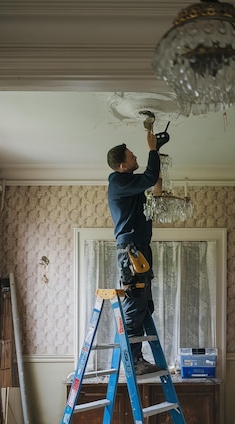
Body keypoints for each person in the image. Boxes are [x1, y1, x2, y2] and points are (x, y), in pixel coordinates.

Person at [107, 130, 162, 376]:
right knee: (134, 304)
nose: (135, 156)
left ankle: (139, 357)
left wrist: (156, 184)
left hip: (139, 250)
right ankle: (134, 360)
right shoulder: (119, 182)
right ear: (122, 166)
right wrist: (153, 148)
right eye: (131, 156)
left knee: (144, 304)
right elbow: (149, 176)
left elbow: (152, 189)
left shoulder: (130, 187)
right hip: (132, 252)